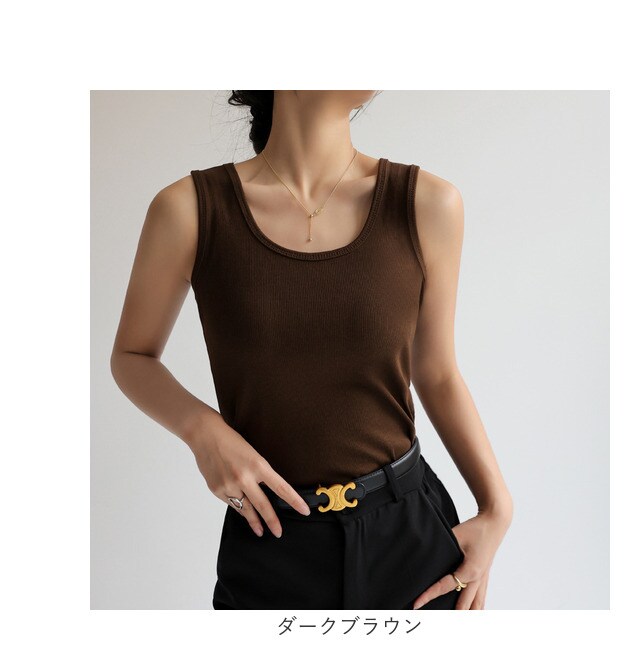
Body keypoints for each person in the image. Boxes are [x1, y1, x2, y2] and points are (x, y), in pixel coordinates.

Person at [110, 90, 513, 610]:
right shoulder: (189, 210)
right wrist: (203, 432)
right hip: (270, 537)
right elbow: (133, 355)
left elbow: (436, 372)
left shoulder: (427, 203)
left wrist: (497, 508)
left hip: (410, 540)